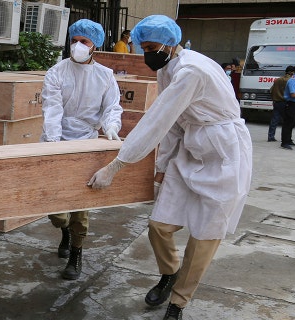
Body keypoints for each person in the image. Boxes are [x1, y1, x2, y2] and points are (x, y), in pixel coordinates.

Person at [87, 15, 252, 320]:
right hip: (191, 147)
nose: (147, 54)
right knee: (159, 226)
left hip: (223, 153)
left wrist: (117, 165)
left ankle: (178, 302)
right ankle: (170, 272)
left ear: (170, 42)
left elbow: (157, 119)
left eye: (151, 47)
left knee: (204, 238)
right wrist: (162, 164)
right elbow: (174, 123)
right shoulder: (168, 67)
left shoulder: (191, 70)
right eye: (144, 47)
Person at [41, 18, 123, 280]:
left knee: (81, 207)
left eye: (83, 41)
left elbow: (112, 107)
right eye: (74, 40)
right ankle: (64, 230)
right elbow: (52, 109)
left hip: (87, 142)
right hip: (57, 142)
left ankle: (76, 252)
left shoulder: (106, 76)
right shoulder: (57, 72)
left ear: (94, 46)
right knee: (56, 210)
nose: (77, 45)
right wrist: (54, 144)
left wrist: (111, 126)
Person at [268, 66, 294, 142]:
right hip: (286, 102)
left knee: (274, 120)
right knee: (287, 121)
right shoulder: (291, 81)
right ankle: (286, 138)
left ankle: (271, 136)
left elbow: (271, 90)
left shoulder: (277, 80)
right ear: (291, 72)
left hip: (277, 102)